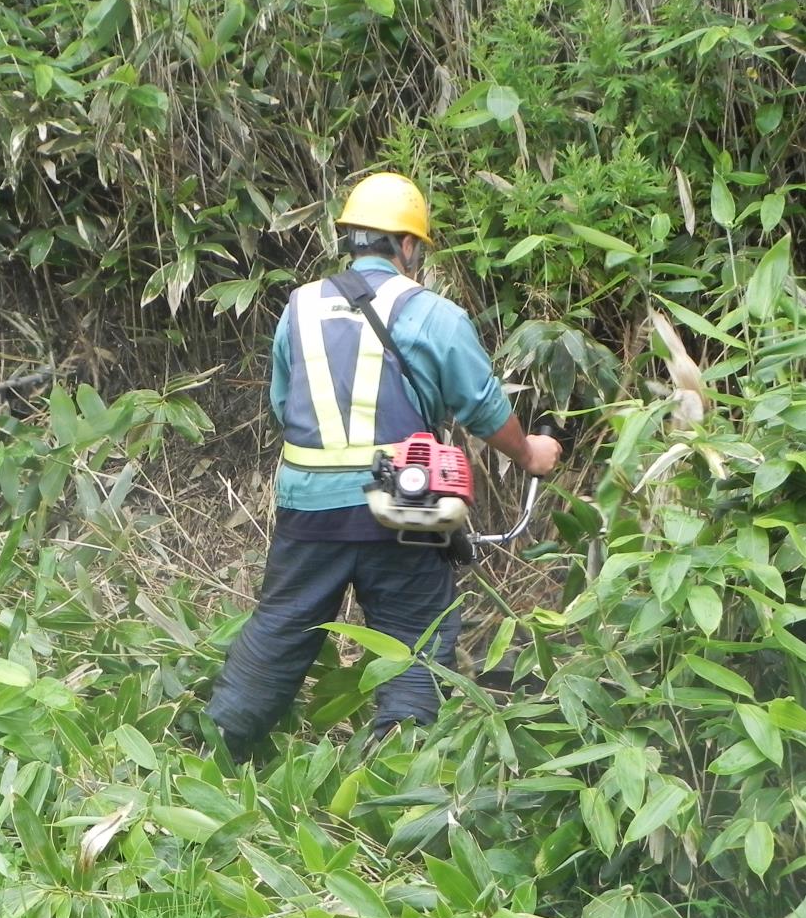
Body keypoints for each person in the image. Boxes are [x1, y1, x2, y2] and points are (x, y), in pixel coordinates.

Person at [205, 172, 561, 760]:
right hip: (403, 506)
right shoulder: (432, 313)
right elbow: (482, 407)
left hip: (307, 508)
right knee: (417, 636)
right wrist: (531, 454)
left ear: (348, 237)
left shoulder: (299, 308)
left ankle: (221, 749)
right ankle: (400, 765)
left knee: (282, 627)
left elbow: (282, 403)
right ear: (409, 246)